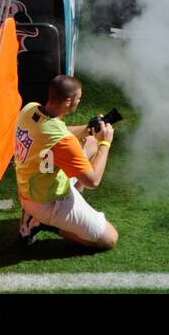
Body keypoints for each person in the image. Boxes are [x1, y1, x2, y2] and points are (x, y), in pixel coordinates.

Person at [14, 75, 119, 250]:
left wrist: (88, 129)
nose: (80, 101)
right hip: (47, 201)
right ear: (69, 101)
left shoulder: (30, 109)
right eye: (79, 98)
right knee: (109, 239)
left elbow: (61, 132)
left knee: (90, 141)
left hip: (34, 181)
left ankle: (50, 214)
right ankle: (43, 223)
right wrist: (105, 142)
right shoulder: (62, 141)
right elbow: (93, 181)